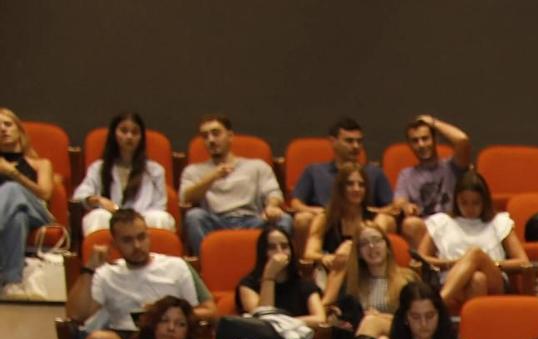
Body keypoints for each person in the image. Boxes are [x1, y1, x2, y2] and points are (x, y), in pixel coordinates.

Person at [66, 209, 213, 339]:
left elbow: (210, 310)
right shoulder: (106, 273)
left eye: (141, 237)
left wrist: (163, 314)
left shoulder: (177, 266)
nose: (137, 246)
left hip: (169, 334)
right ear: (115, 243)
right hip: (125, 337)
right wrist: (89, 270)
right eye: (127, 240)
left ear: (148, 236)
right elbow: (76, 314)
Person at [178, 112, 288, 257]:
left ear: (230, 136)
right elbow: (185, 198)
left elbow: (274, 193)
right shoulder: (193, 170)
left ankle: (274, 266)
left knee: (285, 219)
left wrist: (271, 206)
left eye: (216, 134)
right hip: (215, 222)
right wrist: (212, 177)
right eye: (205, 136)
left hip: (252, 221)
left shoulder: (256, 166)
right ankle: (208, 263)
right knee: (194, 216)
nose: (210, 140)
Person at [414, 169, 527, 307]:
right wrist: (450, 263)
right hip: (451, 280)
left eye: (475, 203)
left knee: (475, 253)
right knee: (477, 279)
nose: (470, 208)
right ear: (456, 200)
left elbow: (523, 261)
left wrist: (487, 263)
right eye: (464, 202)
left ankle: (439, 304)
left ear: (484, 201)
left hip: (494, 280)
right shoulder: (441, 222)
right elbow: (420, 258)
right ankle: (474, 324)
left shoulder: (499, 221)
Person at [287, 116, 394, 244]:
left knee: (387, 221)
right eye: (349, 141)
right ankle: (305, 263)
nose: (355, 146)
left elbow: (391, 206)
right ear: (333, 141)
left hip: (362, 223)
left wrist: (374, 213)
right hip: (325, 222)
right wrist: (317, 212)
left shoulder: (374, 172)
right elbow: (296, 203)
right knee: (302, 219)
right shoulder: (314, 171)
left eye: (359, 141)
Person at [227, 225, 324, 339]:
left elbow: (319, 318)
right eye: (272, 247)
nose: (280, 252)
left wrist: (284, 324)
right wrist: (269, 277)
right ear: (263, 252)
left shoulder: (304, 285)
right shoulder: (248, 284)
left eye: (284, 246)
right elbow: (263, 318)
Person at [322, 222, 417, 339]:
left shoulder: (408, 278)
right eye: (364, 243)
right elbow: (334, 319)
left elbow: (418, 318)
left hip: (402, 338)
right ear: (358, 253)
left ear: (387, 246)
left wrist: (379, 318)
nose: (371, 247)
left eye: (376, 240)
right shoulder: (351, 283)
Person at [73, 112, 173, 236]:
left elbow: (160, 205)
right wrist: (98, 200)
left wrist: (136, 220)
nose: (129, 136)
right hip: (110, 218)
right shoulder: (99, 167)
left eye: (135, 132)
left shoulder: (155, 170)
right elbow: (80, 196)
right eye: (124, 131)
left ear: (141, 137)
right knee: (98, 216)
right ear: (114, 134)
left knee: (160, 218)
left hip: (142, 219)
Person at [388, 114, 471, 245]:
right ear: (409, 145)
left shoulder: (453, 166)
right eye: (415, 141)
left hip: (454, 226)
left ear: (434, 139)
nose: (421, 145)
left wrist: (433, 123)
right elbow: (399, 201)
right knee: (410, 224)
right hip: (425, 232)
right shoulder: (406, 174)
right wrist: (406, 206)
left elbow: (462, 140)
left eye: (425, 138)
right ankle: (429, 264)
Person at [0, 108, 55, 300]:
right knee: (17, 218)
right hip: (13, 215)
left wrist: (13, 174)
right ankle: (12, 282)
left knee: (11, 189)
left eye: (7, 124)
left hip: (38, 212)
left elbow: (46, 193)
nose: (2, 129)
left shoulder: (40, 163)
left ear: (19, 130)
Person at [304, 163, 391, 275]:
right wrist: (325, 258)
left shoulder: (377, 219)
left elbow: (377, 252)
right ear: (340, 188)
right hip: (334, 272)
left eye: (361, 185)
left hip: (365, 273)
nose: (356, 189)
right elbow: (309, 252)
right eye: (350, 184)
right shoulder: (324, 218)